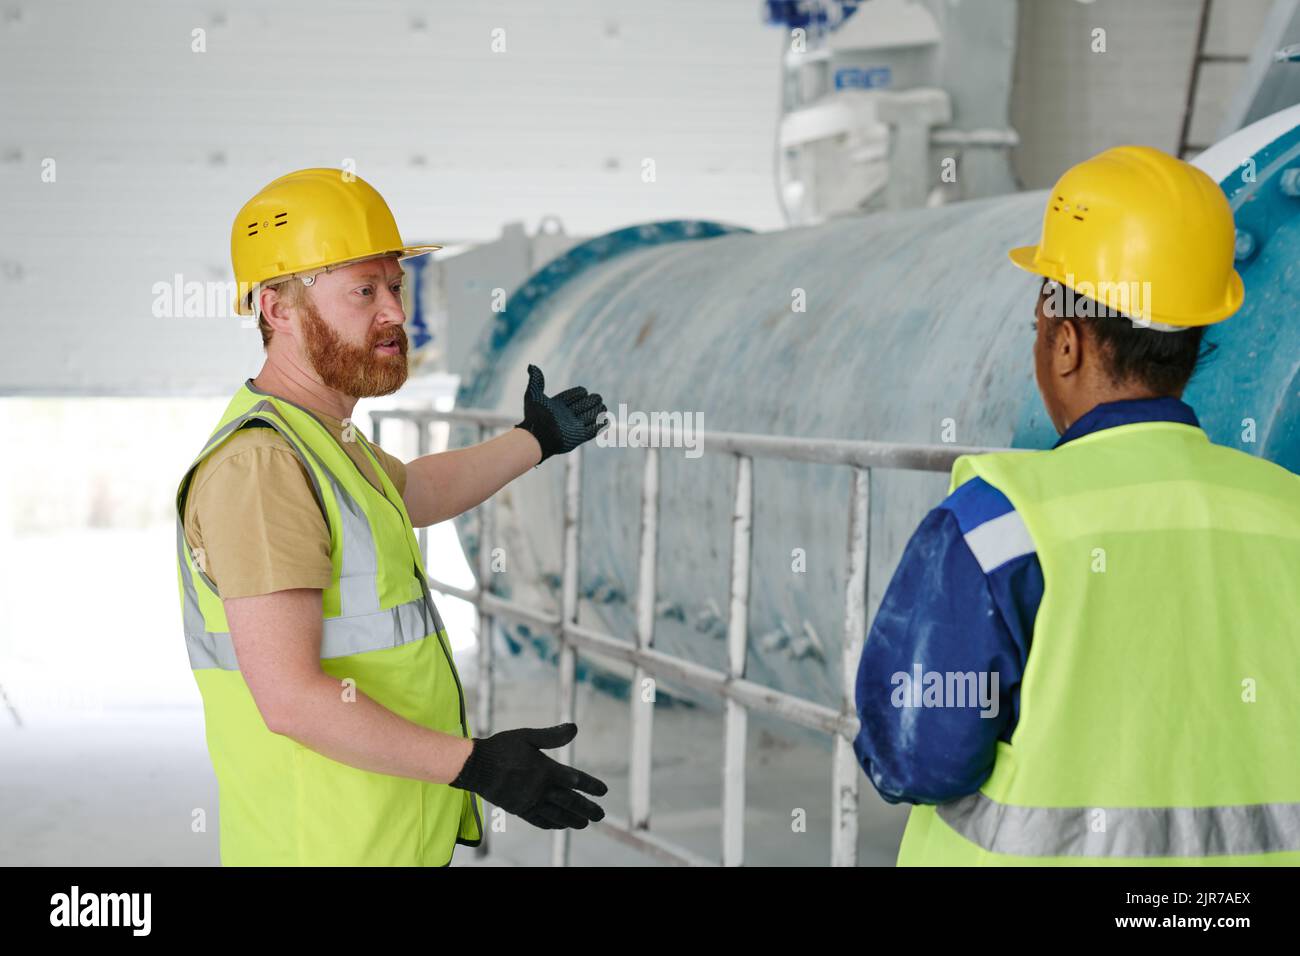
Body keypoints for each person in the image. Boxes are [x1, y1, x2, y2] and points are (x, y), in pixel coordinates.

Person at [852, 146, 1300, 865]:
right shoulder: (1288, 514)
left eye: (1040, 327)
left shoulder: (998, 527)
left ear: (1065, 342)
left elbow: (916, 755)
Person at [176, 168, 610, 865]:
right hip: (320, 847)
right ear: (277, 309)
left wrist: (535, 439)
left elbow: (414, 492)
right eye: (362, 291)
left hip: (374, 837)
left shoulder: (322, 439)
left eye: (395, 286)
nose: (394, 314)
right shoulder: (262, 466)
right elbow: (290, 698)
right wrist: (476, 764)